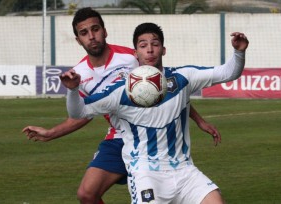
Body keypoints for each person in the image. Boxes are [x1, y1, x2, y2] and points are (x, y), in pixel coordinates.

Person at [22, 8, 221, 204]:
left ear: (104, 31)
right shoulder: (79, 74)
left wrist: (198, 120)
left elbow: (166, 88)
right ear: (78, 40)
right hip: (118, 136)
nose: (92, 36)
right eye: (84, 33)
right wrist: (51, 133)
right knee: (86, 194)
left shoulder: (131, 57)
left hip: (148, 135)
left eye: (95, 29)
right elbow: (83, 114)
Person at [62, 22, 249, 204]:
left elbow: (228, 72)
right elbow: (79, 112)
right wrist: (72, 90)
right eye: (143, 45)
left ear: (163, 49)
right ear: (136, 53)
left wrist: (239, 52)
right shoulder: (120, 90)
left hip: (184, 171)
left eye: (155, 44)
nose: (150, 50)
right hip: (146, 174)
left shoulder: (183, 77)